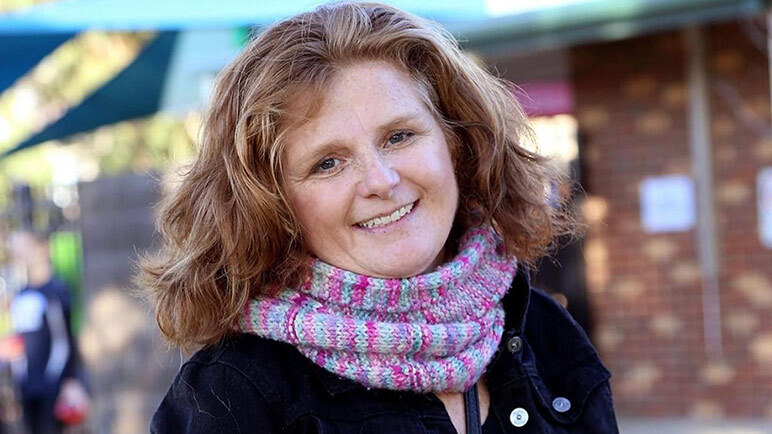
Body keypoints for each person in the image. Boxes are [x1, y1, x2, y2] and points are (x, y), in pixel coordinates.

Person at [142, 3, 619, 433]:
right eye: (328, 163)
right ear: (272, 204)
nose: (380, 181)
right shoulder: (234, 393)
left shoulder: (545, 331)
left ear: (456, 143)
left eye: (399, 136)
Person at [9, 230, 89, 434]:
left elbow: (65, 339)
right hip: (27, 387)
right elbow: (20, 341)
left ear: (43, 249)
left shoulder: (57, 290)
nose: (23, 254)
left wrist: (69, 379)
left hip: (53, 384)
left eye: (27, 247)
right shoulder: (20, 295)